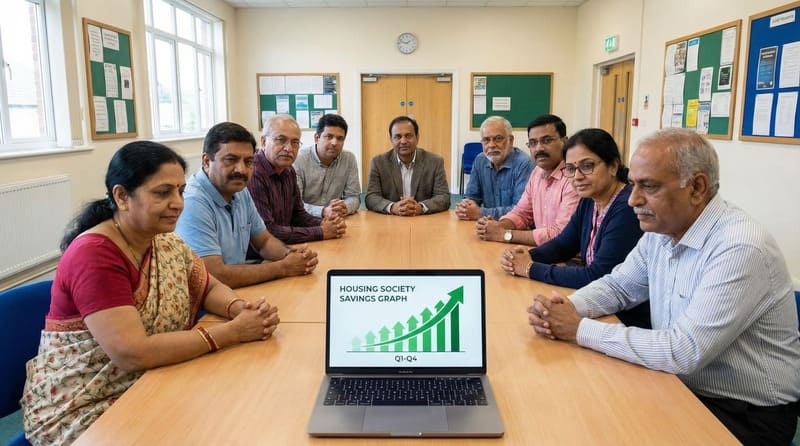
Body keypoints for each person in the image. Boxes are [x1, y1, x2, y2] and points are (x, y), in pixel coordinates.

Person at [527, 129, 800, 445]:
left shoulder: (739, 247)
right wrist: (565, 308)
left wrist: (578, 329)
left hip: (744, 413)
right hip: (676, 383)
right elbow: (619, 286)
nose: (633, 200)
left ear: (696, 187)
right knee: (578, 410)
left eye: (649, 186)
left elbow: (683, 351)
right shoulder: (662, 230)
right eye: (634, 185)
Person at [20, 142, 281, 445]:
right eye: (162, 193)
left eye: (180, 191)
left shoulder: (163, 241)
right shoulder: (94, 254)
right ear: (122, 197)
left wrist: (240, 308)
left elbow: (207, 285)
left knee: (241, 405)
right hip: (84, 409)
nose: (178, 203)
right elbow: (132, 352)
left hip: (153, 379)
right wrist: (231, 333)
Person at [500, 128, 649, 328]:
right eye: (570, 169)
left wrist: (530, 268)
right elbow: (564, 244)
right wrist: (525, 256)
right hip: (599, 307)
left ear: (613, 166)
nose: (577, 176)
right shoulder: (590, 200)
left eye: (587, 166)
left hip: (624, 319)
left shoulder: (626, 208)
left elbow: (597, 275)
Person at [176, 122, 317, 289]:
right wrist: (283, 267)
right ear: (207, 161)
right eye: (231, 160)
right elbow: (214, 275)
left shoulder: (239, 190)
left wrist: (291, 255)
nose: (242, 170)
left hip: (237, 290)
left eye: (248, 162)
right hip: (204, 305)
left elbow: (264, 241)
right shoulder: (192, 202)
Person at [476, 114, 579, 246]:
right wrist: (498, 226)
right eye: (533, 143)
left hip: (570, 259)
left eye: (546, 140)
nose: (539, 148)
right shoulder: (537, 173)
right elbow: (522, 213)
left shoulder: (574, 178)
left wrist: (504, 234)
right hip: (545, 252)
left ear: (564, 142)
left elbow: (560, 235)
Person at [249, 114, 347, 242]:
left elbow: (298, 215)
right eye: (280, 139)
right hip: (258, 256)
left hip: (284, 246)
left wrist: (325, 223)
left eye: (295, 142)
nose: (289, 148)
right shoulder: (253, 173)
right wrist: (321, 231)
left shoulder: (288, 170)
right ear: (263, 141)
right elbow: (267, 231)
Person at [365, 115, 450, 216]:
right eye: (398, 137)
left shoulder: (435, 161)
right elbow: (371, 197)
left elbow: (443, 197)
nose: (403, 141)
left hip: (423, 221)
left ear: (417, 137)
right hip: (391, 221)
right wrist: (392, 207)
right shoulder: (378, 162)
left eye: (408, 136)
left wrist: (421, 207)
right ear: (391, 140)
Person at [454, 116, 533, 220]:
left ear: (511, 140)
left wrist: (481, 213)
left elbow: (520, 210)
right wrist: (465, 206)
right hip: (487, 226)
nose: (491, 145)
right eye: (486, 140)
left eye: (498, 139)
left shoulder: (524, 164)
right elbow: (472, 196)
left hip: (516, 229)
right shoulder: (480, 160)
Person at [294, 113, 361, 218]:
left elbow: (354, 197)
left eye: (340, 138)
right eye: (329, 137)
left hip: (337, 218)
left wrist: (344, 207)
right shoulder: (299, 160)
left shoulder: (349, 159)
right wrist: (323, 211)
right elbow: (295, 203)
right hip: (305, 220)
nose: (334, 143)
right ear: (317, 138)